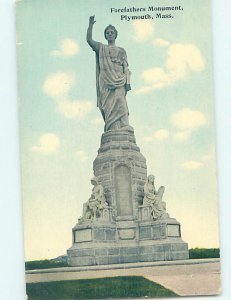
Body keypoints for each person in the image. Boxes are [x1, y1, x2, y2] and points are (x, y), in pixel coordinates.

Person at [87, 16, 131, 131]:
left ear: (116, 35)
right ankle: (111, 128)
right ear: (105, 36)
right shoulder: (101, 48)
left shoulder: (121, 50)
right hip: (106, 81)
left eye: (112, 32)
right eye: (108, 33)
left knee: (120, 99)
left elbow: (125, 67)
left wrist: (128, 82)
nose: (110, 34)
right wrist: (90, 25)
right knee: (108, 105)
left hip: (120, 79)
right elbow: (89, 41)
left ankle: (124, 125)